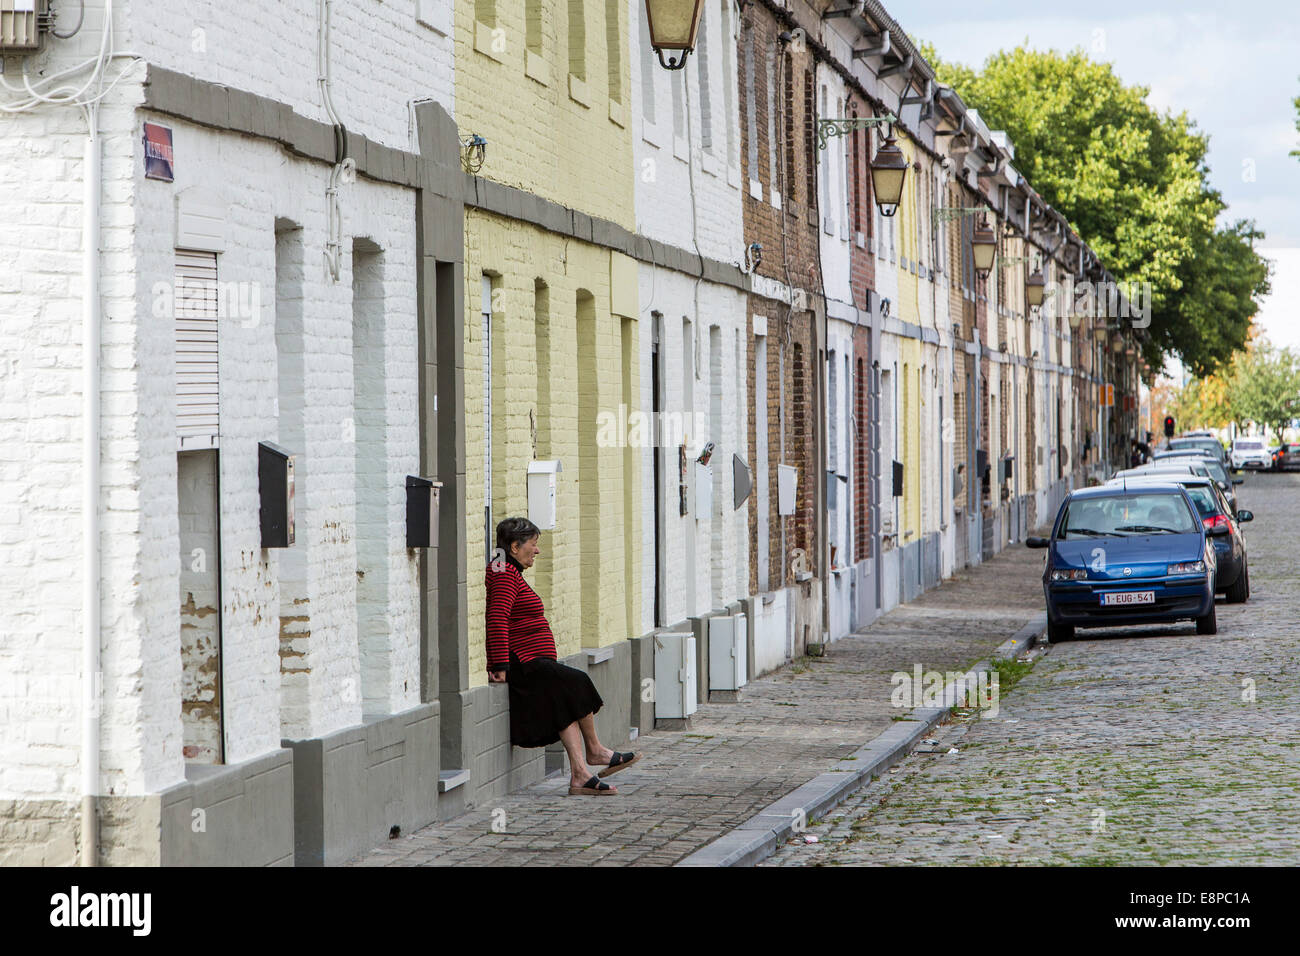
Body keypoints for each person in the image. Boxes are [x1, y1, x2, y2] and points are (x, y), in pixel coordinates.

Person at [485, 516, 641, 796]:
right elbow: (497, 618)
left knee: (565, 706)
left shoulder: (509, 571)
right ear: (514, 546)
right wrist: (498, 664)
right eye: (532, 544)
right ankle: (594, 751)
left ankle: (580, 774)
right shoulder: (503, 574)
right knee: (577, 681)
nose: (537, 550)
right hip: (524, 662)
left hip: (535, 660)